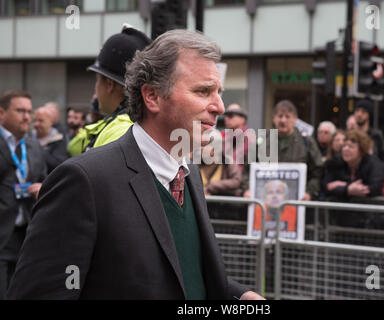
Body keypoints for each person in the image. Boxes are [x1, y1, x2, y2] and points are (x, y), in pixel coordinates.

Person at [7, 30, 263, 300]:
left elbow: (183, 269)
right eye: (203, 91)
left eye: (218, 92)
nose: (220, 106)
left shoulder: (190, 174)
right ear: (152, 96)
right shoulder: (84, 181)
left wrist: (241, 295)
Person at [68, 24, 152, 157]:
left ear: (109, 84)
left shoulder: (119, 131)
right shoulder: (140, 122)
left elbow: (74, 149)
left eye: (97, 80)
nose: (95, 90)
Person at [0, 90, 47, 299]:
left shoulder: (33, 146)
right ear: (2, 113)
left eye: (29, 111)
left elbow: (44, 178)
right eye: (20, 111)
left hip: (27, 237)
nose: (27, 117)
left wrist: (42, 187)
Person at [323, 130, 384, 200]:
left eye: (351, 146)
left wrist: (345, 186)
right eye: (344, 146)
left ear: (361, 150)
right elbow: (327, 187)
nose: (346, 149)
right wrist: (348, 189)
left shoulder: (373, 164)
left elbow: (374, 188)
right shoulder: (335, 162)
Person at [200, 130, 242, 196]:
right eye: (201, 145)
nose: (202, 148)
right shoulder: (195, 163)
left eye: (205, 145)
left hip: (221, 204)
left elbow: (236, 181)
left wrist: (213, 186)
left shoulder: (228, 163)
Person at [33, 106, 68, 173]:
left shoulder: (58, 140)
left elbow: (59, 165)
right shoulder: (27, 138)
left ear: (51, 122)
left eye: (41, 121)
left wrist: (40, 150)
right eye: (34, 120)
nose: (36, 124)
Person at [222, 103, 255, 171]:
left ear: (242, 119)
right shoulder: (222, 136)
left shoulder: (250, 139)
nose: (226, 118)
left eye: (230, 115)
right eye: (226, 116)